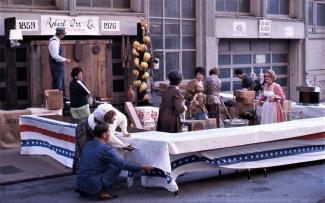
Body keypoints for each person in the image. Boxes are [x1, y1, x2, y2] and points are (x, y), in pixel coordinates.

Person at [76, 123, 152, 200]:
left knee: (106, 163)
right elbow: (122, 164)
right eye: (110, 132)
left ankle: (87, 189)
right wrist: (141, 167)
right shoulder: (104, 149)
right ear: (104, 135)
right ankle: (103, 192)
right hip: (93, 184)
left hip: (80, 184)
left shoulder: (88, 144)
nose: (111, 134)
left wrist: (121, 147)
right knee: (116, 165)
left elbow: (105, 150)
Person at [73, 103, 132, 174]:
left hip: (99, 131)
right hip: (85, 130)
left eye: (113, 119)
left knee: (99, 150)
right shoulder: (96, 125)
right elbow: (109, 138)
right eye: (111, 121)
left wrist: (124, 131)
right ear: (104, 121)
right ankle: (81, 173)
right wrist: (122, 145)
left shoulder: (117, 114)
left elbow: (123, 119)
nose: (113, 121)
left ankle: (96, 172)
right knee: (84, 150)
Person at [48, 27, 71, 92]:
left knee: (60, 84)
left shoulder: (55, 40)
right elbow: (55, 56)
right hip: (56, 66)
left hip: (58, 67)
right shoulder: (54, 42)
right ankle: (57, 101)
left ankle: (61, 100)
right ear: (60, 34)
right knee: (58, 85)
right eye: (63, 34)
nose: (64, 36)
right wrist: (65, 59)